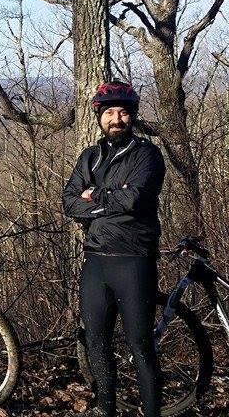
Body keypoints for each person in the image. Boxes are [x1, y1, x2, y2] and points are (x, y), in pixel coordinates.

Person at [62, 81, 166, 417]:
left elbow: (135, 198)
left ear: (132, 116)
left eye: (122, 112)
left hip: (133, 260)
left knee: (140, 346)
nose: (116, 119)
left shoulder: (147, 155)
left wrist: (94, 196)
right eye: (109, 113)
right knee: (96, 343)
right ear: (100, 117)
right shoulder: (90, 157)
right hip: (95, 262)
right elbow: (69, 202)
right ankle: (106, 410)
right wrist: (108, 199)